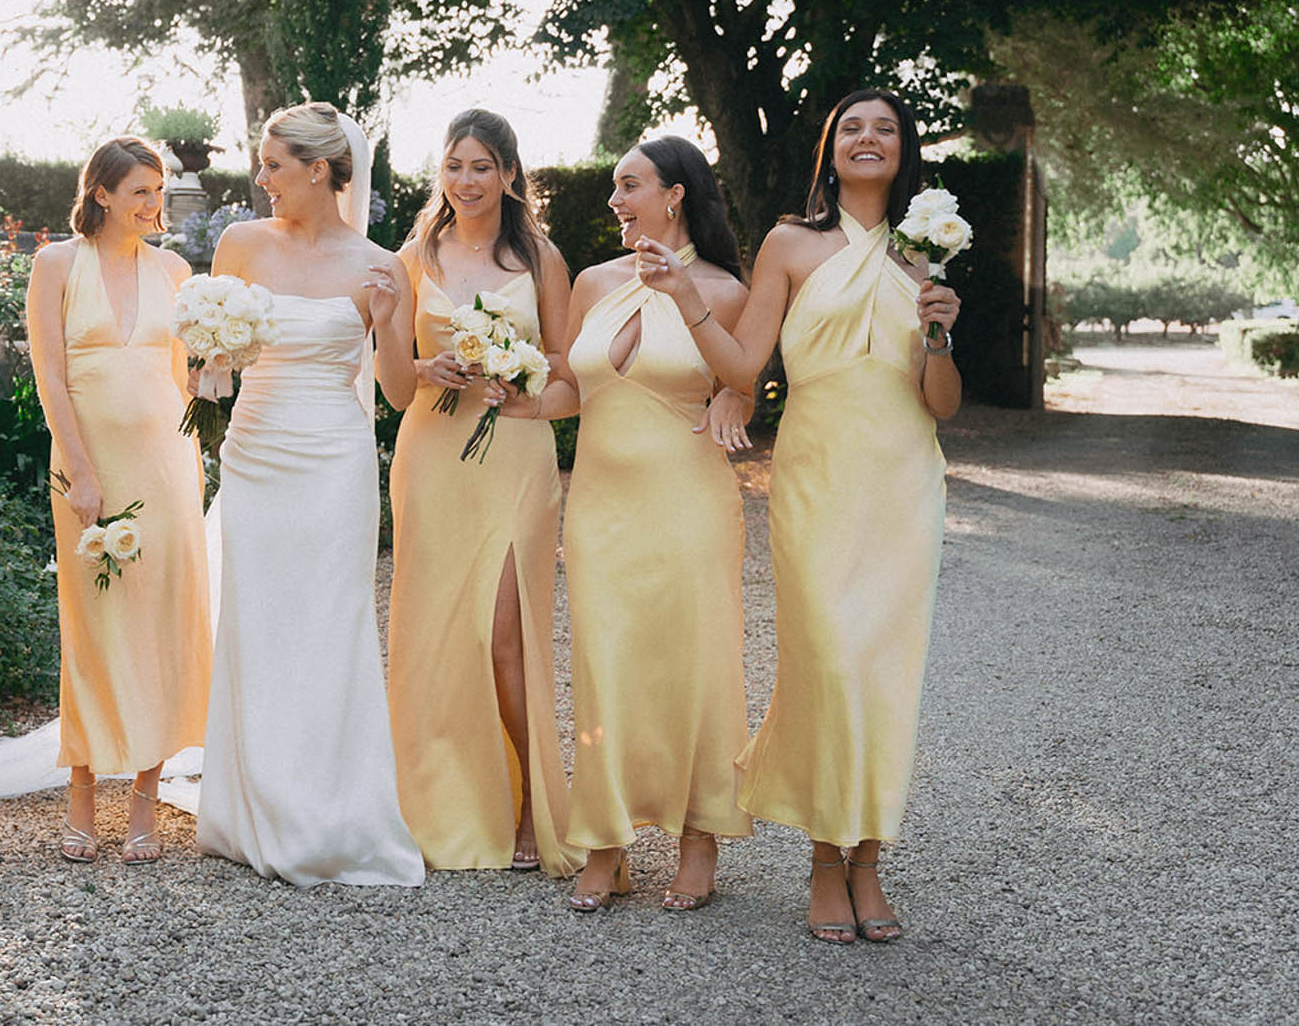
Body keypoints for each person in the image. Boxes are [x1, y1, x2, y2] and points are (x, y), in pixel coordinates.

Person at [639, 89, 961, 944]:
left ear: (903, 151)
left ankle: (869, 862)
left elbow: (943, 406)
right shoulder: (790, 243)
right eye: (852, 127)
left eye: (885, 129)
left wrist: (939, 335)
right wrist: (683, 296)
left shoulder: (925, 252)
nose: (868, 138)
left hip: (903, 484)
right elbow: (744, 363)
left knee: (883, 673)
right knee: (829, 657)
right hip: (818, 478)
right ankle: (825, 859)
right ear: (830, 149)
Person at [195, 101, 426, 887]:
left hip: (334, 458)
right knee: (258, 622)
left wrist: (391, 323)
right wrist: (207, 358)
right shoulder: (240, 244)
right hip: (256, 453)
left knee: (330, 625)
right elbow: (206, 365)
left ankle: (334, 812)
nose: (261, 181)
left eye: (273, 166)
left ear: (320, 169)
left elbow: (397, 391)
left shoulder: (382, 264)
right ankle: (250, 806)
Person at [526, 136, 754, 913]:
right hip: (600, 511)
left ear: (675, 195)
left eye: (630, 186)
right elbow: (572, 393)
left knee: (692, 663)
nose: (617, 201)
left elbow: (745, 380)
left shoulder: (723, 288)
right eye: (618, 188)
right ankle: (607, 841)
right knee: (604, 664)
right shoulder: (592, 283)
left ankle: (698, 837)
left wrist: (688, 301)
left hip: (688, 505)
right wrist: (513, 395)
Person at [383, 109, 579, 876]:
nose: (466, 181)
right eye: (454, 166)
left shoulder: (540, 257)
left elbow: (569, 372)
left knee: (505, 636)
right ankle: (432, 801)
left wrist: (527, 388)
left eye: (482, 166)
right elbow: (394, 387)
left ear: (508, 174)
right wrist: (428, 369)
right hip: (432, 454)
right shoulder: (412, 258)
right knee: (431, 634)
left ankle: (532, 801)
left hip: (516, 460)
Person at [25, 136, 211, 864]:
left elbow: (186, 377)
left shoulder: (173, 269)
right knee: (94, 623)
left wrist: (218, 367)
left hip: (166, 463)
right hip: (88, 462)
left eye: (158, 190)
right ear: (101, 193)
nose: (153, 204)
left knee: (159, 620)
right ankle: (80, 795)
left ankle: (143, 798)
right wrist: (80, 469)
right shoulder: (56, 264)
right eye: (140, 190)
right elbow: (49, 372)